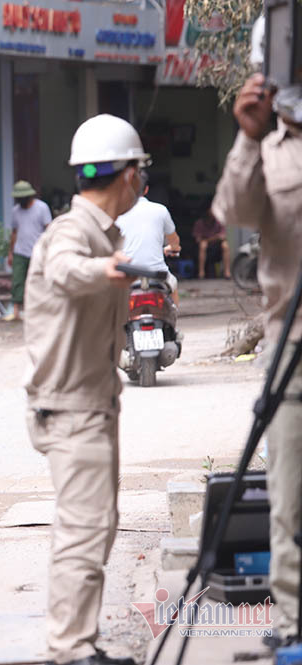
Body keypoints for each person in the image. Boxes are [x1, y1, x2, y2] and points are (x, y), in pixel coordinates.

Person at [24, 114, 147, 665]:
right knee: (83, 533)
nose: (141, 180)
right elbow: (65, 271)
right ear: (127, 176)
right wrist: (109, 270)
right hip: (71, 408)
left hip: (93, 404)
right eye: (139, 170)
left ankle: (80, 643)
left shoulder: (105, 232)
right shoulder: (72, 233)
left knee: (98, 528)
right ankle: (70, 651)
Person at [213, 71, 302, 649]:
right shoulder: (271, 150)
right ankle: (294, 622)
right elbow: (235, 211)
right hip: (294, 348)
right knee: (289, 497)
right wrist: (249, 136)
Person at [114, 179, 182, 303]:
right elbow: (174, 240)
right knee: (174, 286)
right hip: (157, 274)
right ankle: (173, 320)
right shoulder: (160, 210)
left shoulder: (117, 212)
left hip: (127, 274)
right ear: (146, 190)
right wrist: (174, 247)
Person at [6, 180, 52, 321]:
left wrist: (49, 250)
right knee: (18, 281)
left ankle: (38, 311)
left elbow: (49, 229)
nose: (20, 201)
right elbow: (14, 232)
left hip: (38, 252)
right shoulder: (16, 211)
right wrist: (10, 252)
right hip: (20, 251)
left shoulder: (42, 208)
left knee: (38, 281)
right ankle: (16, 312)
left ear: (29, 196)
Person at [192, 209, 231, 279]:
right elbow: (198, 239)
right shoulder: (199, 223)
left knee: (225, 245)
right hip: (204, 248)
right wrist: (214, 238)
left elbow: (222, 237)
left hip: (217, 247)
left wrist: (210, 239)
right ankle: (201, 272)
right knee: (203, 244)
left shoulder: (219, 222)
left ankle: (227, 272)